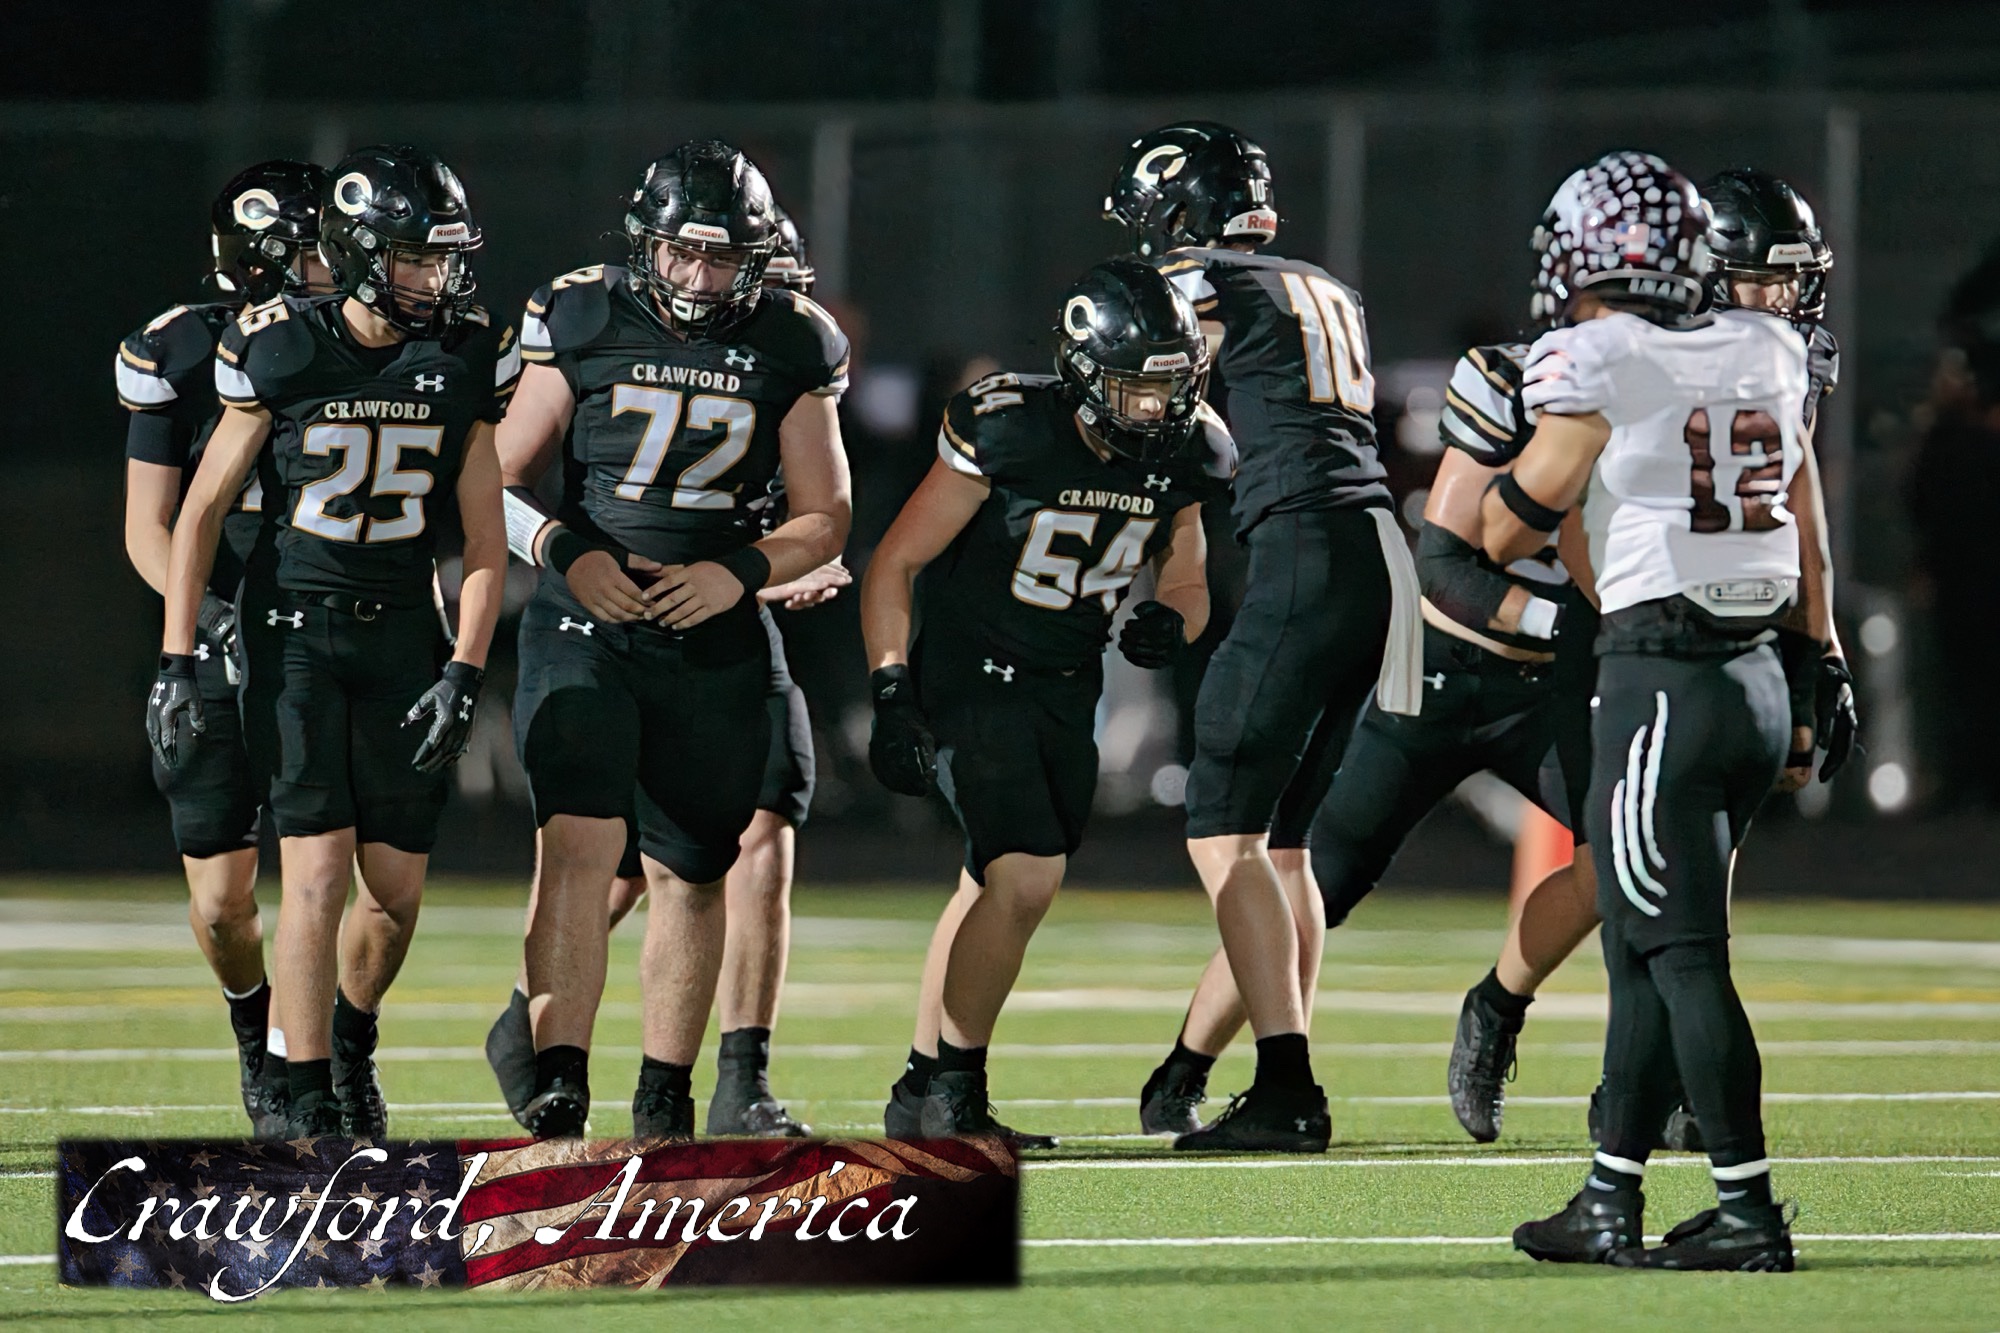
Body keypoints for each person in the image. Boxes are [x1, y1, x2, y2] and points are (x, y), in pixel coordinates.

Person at [1494, 151, 1831, 1272]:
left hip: (1662, 676)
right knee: (1645, 945)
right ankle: (1609, 1192)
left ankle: (1746, 1206)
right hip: (1753, 670)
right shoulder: (1771, 351)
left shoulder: (1607, 355)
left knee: (1680, 953)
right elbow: (1804, 518)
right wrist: (1815, 669)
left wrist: (1487, 495)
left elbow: (1510, 523)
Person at [147, 144, 514, 1137]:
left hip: (403, 636)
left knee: (393, 894)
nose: (433, 277)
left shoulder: (466, 354)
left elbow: (484, 538)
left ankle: (350, 1040)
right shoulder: (280, 348)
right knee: (312, 871)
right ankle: (304, 1096)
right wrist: (178, 656)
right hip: (294, 633)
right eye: (412, 257)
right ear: (354, 253)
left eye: (442, 258)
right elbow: (200, 512)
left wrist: (466, 668)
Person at [497, 142, 850, 1140]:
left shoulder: (794, 340)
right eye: (682, 252)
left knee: (692, 872)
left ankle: (665, 1101)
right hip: (591, 617)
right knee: (577, 845)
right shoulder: (582, 312)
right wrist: (567, 552)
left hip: (711, 628)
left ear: (757, 257)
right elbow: (496, 478)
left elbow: (825, 515)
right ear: (645, 244)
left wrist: (739, 571)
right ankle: (558, 1082)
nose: (699, 276)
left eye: (722, 256)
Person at [1105, 122, 1421, 1151]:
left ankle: (1287, 1085)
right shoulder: (1323, 284)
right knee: (1284, 849)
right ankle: (1193, 1069)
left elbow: (1148, 393)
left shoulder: (1198, 280)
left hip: (1305, 549)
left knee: (1222, 833)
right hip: (1378, 549)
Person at [864, 257, 1230, 1140]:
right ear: (1085, 372)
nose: (1158, 407)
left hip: (1069, 684)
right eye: (1138, 387)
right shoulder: (1010, 426)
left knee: (989, 882)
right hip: (972, 670)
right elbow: (896, 562)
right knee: (1024, 875)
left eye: (1170, 385)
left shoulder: (1193, 446)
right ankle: (957, 1097)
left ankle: (919, 1089)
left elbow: (1188, 579)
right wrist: (891, 684)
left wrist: (1174, 622)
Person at [119, 159, 331, 1137]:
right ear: (262, 261)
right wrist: (207, 622)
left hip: (323, 625)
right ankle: (255, 1028)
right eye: (318, 249)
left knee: (335, 870)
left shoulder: (362, 344)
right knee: (221, 902)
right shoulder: (180, 350)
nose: (340, 267)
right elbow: (147, 528)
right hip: (217, 623)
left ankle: (317, 1062)